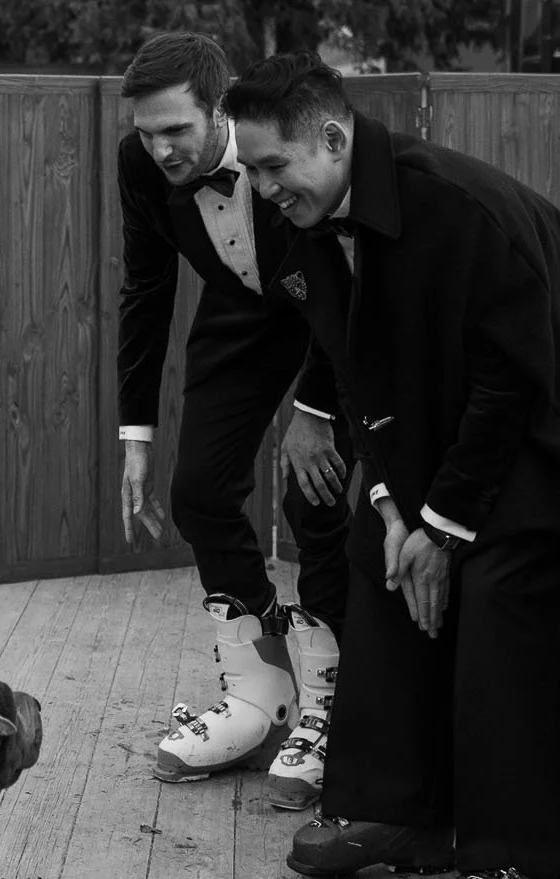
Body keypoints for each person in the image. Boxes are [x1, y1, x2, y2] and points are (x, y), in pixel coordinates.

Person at [226, 52, 560, 879]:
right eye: (249, 167)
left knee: (514, 579)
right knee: (379, 556)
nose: (261, 185)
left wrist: (443, 526)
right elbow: (356, 357)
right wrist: (401, 513)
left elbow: (509, 380)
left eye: (271, 166)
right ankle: (399, 805)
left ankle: (534, 854)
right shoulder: (312, 208)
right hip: (463, 412)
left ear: (332, 138)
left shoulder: (450, 206)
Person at [116, 32, 353, 809]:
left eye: (175, 130)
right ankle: (262, 697)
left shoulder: (278, 137)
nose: (158, 149)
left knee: (315, 489)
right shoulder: (140, 165)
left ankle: (334, 705)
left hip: (337, 309)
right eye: (146, 132)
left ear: (219, 109)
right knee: (199, 493)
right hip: (241, 310)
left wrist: (314, 411)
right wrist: (136, 438)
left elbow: (348, 276)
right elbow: (146, 292)